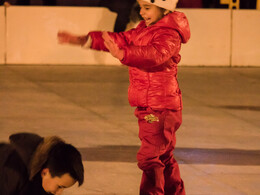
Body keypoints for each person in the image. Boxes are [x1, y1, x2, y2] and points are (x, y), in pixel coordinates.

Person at [57, 0, 190, 194]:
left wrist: (123, 54)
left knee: (150, 158)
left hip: (159, 107)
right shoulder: (144, 29)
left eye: (147, 8)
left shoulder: (169, 33)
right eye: (141, 8)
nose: (142, 13)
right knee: (163, 157)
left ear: (164, 8)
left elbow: (154, 55)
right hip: (151, 105)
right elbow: (120, 39)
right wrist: (84, 40)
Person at [0, 132, 84, 195]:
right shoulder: (12, 171)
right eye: (60, 187)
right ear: (45, 172)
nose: (59, 193)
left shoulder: (45, 164)